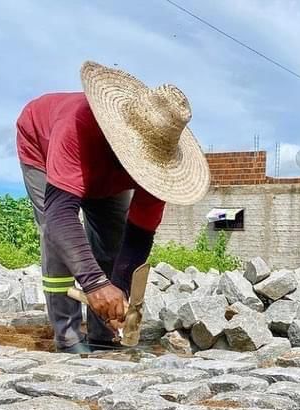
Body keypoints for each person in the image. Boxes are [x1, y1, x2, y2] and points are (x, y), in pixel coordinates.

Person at [16, 61, 210, 353]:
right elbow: (59, 216)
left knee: (112, 240)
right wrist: (94, 284)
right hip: (41, 146)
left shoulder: (157, 168)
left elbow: (138, 236)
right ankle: (68, 337)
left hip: (106, 170)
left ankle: (102, 334)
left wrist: (117, 291)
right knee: (57, 240)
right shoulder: (77, 125)